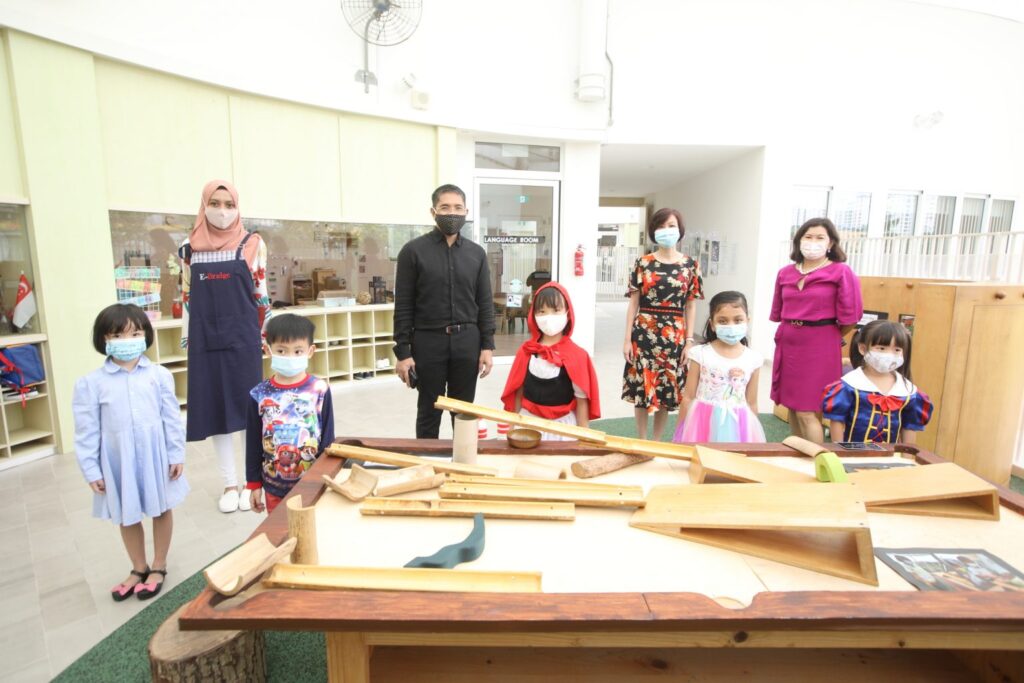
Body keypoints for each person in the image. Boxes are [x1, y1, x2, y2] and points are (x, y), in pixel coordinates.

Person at [73, 304, 188, 601]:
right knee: (127, 513)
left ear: (145, 335)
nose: (127, 341)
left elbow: (171, 418)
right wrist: (91, 470)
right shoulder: (91, 384)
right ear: (104, 340)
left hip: (155, 455)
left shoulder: (159, 375)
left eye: (135, 333)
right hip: (117, 459)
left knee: (161, 507)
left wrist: (176, 454)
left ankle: (159, 565)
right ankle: (138, 567)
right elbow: (86, 431)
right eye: (117, 335)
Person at [179, 180, 270, 513]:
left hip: (243, 339)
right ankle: (229, 483)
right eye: (215, 203)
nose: (222, 210)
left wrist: (265, 337)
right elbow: (187, 297)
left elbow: (261, 294)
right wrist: (188, 340)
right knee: (217, 412)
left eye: (229, 204)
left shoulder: (253, 243)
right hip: (204, 341)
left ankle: (251, 481)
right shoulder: (188, 248)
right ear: (203, 206)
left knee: (247, 411)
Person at [393, 184, 496, 438]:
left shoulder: (476, 254)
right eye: (445, 207)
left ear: (466, 212)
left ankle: (463, 465)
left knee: (463, 413)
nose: (452, 213)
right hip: (428, 342)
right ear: (433, 211)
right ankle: (427, 467)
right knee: (429, 411)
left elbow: (484, 302)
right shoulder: (413, 252)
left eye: (458, 208)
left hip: (467, 341)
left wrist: (487, 346)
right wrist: (403, 353)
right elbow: (403, 305)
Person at [769, 217, 863, 443]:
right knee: (791, 406)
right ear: (799, 241)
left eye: (820, 237)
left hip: (820, 346)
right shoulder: (785, 273)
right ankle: (797, 454)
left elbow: (852, 317)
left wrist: (829, 337)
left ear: (830, 243)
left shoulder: (841, 272)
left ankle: (816, 461)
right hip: (789, 343)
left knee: (808, 410)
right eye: (808, 237)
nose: (813, 242)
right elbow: (779, 311)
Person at [622, 208, 703, 440]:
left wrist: (689, 341)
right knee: (642, 387)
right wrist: (627, 338)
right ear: (653, 232)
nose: (666, 231)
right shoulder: (643, 263)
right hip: (644, 332)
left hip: (674, 335)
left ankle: (656, 442)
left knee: (666, 390)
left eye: (671, 226)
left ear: (680, 231)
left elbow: (691, 305)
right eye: (661, 226)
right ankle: (642, 439)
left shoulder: (690, 265)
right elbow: (633, 303)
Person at [245, 315, 335, 514]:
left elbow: (328, 440)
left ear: (310, 351)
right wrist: (253, 484)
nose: (290, 357)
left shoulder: (319, 390)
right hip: (274, 486)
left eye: (297, 351)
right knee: (280, 535)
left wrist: (327, 477)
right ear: (268, 350)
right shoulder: (258, 394)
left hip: (313, 484)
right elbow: (252, 442)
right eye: (281, 351)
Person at [500, 282, 601, 440]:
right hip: (528, 426)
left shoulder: (577, 356)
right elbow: (518, 395)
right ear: (534, 314)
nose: (549, 317)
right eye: (542, 311)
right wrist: (512, 429)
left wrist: (585, 437)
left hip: (563, 430)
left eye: (556, 310)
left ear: (567, 312)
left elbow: (582, 403)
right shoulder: (526, 352)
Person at [673, 291, 766, 443]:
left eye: (738, 320)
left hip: (738, 424)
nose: (731, 326)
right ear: (712, 324)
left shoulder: (753, 359)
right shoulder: (700, 354)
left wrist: (753, 434)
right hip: (702, 421)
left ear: (747, 321)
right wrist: (680, 432)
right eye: (723, 321)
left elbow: (752, 402)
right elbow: (688, 397)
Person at [822, 320, 932, 444]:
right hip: (852, 457)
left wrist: (907, 458)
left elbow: (909, 428)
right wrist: (839, 453)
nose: (889, 354)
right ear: (863, 349)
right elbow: (837, 422)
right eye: (881, 348)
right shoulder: (849, 385)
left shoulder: (908, 391)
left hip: (890, 460)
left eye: (896, 350)